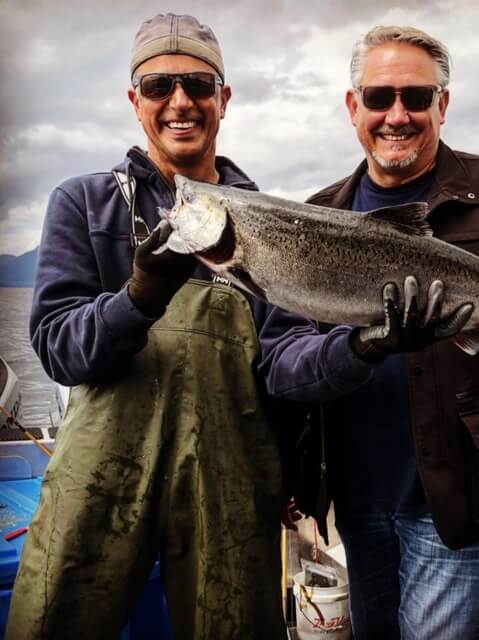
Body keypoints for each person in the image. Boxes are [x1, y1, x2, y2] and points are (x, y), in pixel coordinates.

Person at [258, 26, 479, 639]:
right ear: (353, 106)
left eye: (417, 97)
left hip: (459, 492)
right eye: (379, 98)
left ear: (444, 104)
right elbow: (282, 363)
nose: (398, 116)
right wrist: (358, 348)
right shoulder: (315, 216)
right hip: (355, 495)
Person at [6, 13, 289, 640]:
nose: (180, 102)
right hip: (100, 480)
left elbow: (284, 364)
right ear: (135, 101)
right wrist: (139, 296)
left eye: (198, 84)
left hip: (233, 481)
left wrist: (355, 349)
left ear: (225, 100)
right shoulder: (83, 202)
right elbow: (58, 348)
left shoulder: (270, 225)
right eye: (159, 87)